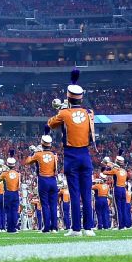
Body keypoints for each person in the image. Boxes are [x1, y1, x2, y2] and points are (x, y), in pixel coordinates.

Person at [46, 69, 95, 237]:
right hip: (86, 155)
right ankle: (88, 228)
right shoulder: (89, 113)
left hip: (71, 156)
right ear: (81, 97)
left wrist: (61, 109)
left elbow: (50, 124)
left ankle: (76, 229)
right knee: (86, 193)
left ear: (68, 97)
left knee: (74, 193)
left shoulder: (64, 113)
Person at [26, 131, 59, 233]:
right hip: (53, 180)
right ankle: (55, 227)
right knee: (53, 204)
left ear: (42, 143)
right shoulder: (54, 155)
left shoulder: (38, 154)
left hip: (43, 180)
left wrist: (33, 152)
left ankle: (47, 227)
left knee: (44, 204)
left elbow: (27, 162)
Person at [101, 155, 129, 230]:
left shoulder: (115, 170)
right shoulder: (124, 171)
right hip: (123, 189)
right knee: (123, 208)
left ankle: (120, 226)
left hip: (117, 189)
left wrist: (107, 166)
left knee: (118, 208)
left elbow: (104, 173)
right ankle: (125, 225)